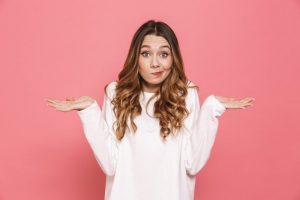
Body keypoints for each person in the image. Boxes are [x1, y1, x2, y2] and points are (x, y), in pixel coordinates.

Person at [46, 20, 254, 200]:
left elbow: (193, 163)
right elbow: (110, 164)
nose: (155, 63)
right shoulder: (116, 93)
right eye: (146, 54)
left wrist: (211, 109)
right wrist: (90, 111)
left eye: (164, 54)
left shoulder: (186, 94)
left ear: (173, 59)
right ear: (136, 57)